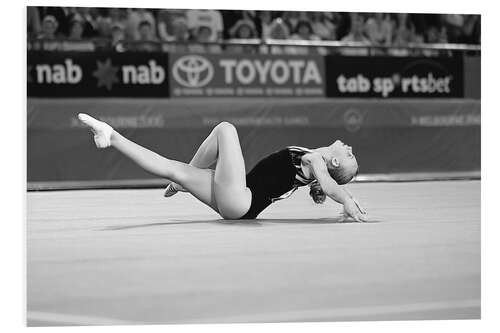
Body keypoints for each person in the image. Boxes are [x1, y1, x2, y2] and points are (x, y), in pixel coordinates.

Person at [78, 114, 368, 222]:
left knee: (226, 129)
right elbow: (329, 185)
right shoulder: (314, 158)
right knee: (172, 169)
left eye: (350, 156)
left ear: (334, 162)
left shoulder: (315, 161)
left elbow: (329, 186)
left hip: (241, 197)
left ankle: (183, 180)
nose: (351, 149)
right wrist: (347, 199)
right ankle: (111, 136)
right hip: (238, 203)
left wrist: (346, 199)